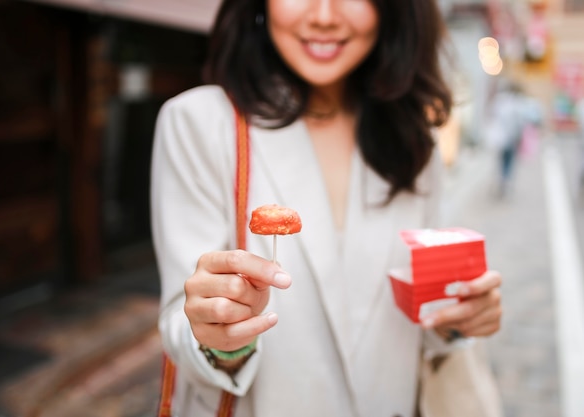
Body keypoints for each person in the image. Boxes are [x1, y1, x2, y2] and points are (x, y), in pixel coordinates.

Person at [150, 1, 503, 416]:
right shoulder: (199, 123)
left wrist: (457, 319)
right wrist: (222, 336)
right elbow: (182, 322)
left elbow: (408, 318)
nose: (323, 15)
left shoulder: (412, 140)